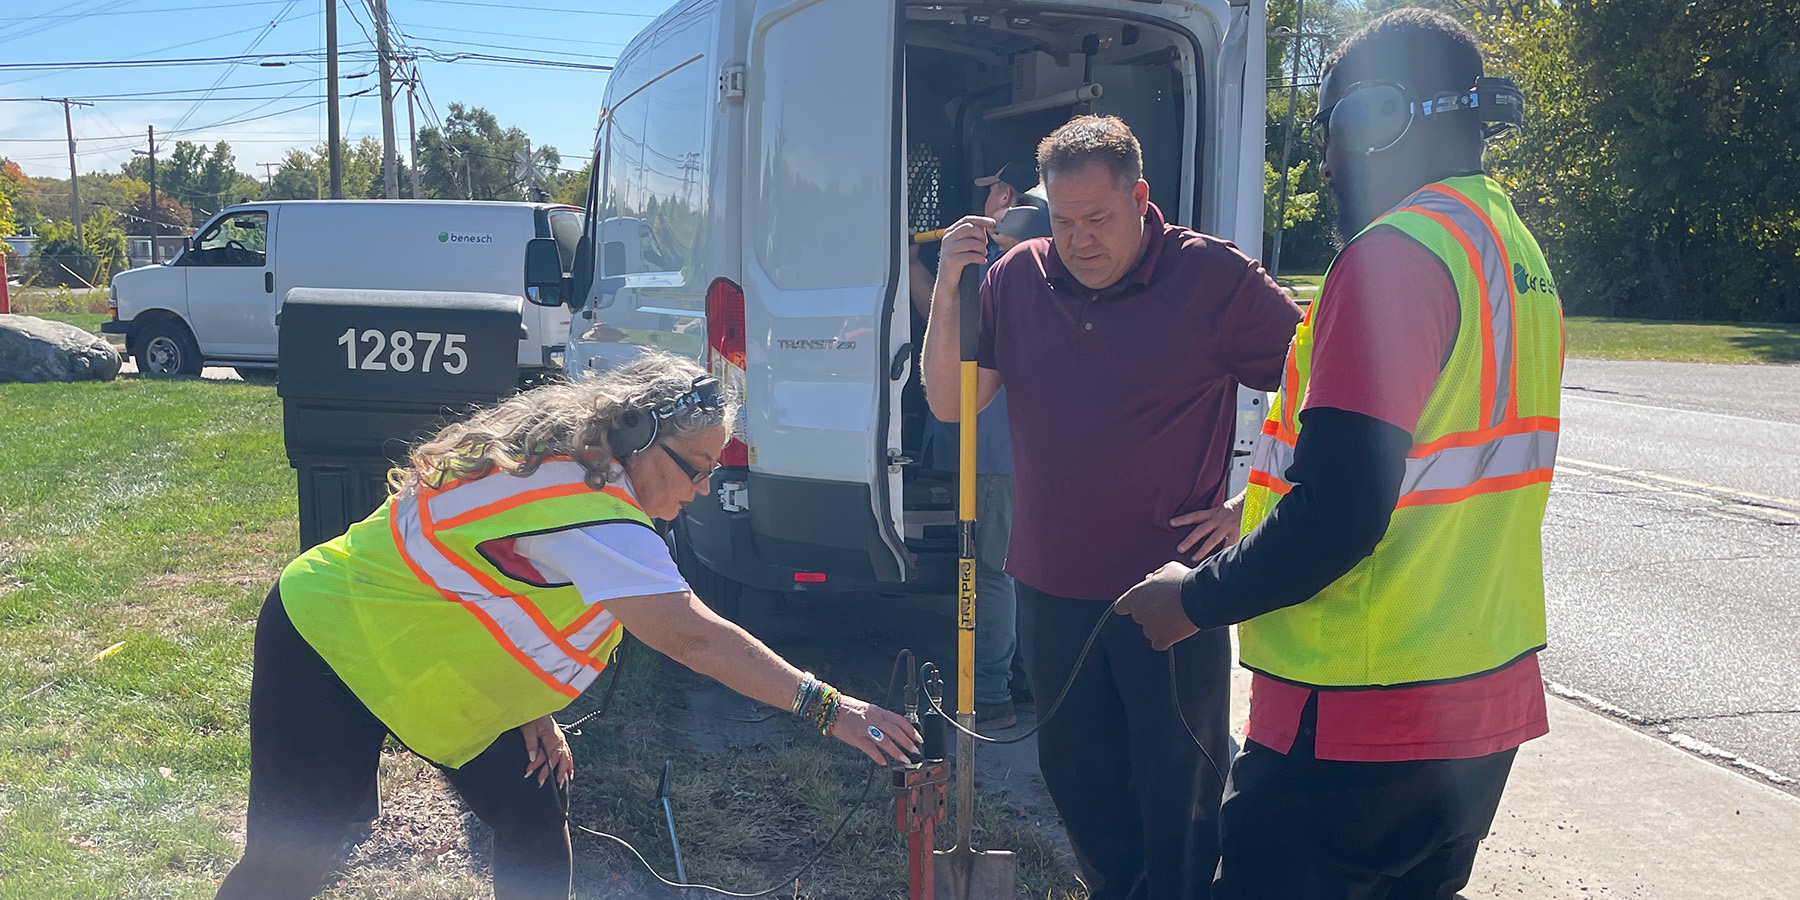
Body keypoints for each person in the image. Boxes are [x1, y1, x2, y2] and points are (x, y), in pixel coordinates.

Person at [1113, 9, 1563, 899]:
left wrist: (1196, 600)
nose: (1323, 167)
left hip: (1359, 709)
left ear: (1380, 120)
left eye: (1331, 133)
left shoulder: (1392, 258)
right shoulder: (1509, 247)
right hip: (1478, 703)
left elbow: (1343, 509)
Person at [216, 353, 919, 900]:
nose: (703, 489)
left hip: (418, 648)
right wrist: (830, 707)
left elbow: (502, 590)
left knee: (533, 810)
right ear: (638, 438)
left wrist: (531, 706)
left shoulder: (582, 470)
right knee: (291, 860)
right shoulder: (589, 504)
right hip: (329, 639)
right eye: (697, 469)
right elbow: (693, 636)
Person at [922, 117, 1301, 900]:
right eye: (1063, 221)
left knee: (1180, 791)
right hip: (1051, 583)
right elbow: (953, 403)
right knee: (1076, 777)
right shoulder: (1017, 278)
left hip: (1171, 592)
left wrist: (1246, 504)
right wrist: (949, 292)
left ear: (1140, 198)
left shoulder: (1211, 278)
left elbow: (1323, 383)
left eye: (1097, 219)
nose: (1079, 240)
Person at [907, 160, 1048, 731]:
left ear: (1005, 195)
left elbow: (932, 312)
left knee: (991, 570)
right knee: (1023, 567)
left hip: (993, 449)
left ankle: (987, 692)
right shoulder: (1053, 254)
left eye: (989, 192)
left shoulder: (991, 261)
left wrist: (913, 259)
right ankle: (1024, 679)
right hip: (1035, 448)